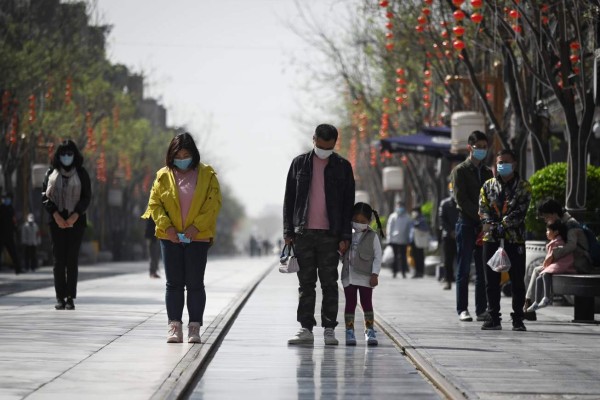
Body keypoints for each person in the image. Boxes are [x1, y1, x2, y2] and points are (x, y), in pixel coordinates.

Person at [142, 132, 222, 344]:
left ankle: (194, 327)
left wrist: (196, 227)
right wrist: (167, 228)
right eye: (178, 154)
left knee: (195, 283)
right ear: (171, 155)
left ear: (193, 154)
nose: (182, 158)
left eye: (186, 154)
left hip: (198, 237)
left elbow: (213, 204)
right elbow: (155, 204)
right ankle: (174, 326)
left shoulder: (207, 174)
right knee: (173, 284)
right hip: (170, 238)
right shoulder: (162, 175)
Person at [283, 123, 355, 345]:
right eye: (321, 145)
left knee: (329, 283)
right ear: (313, 139)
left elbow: (347, 204)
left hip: (330, 235)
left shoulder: (343, 166)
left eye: (329, 146)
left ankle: (329, 329)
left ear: (335, 143)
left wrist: (345, 236)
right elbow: (289, 199)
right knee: (306, 284)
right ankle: (305, 328)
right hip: (303, 233)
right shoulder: (299, 164)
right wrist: (288, 230)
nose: (324, 150)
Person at [479, 149, 532, 331]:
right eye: (499, 162)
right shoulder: (488, 186)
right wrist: (491, 223)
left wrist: (504, 223)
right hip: (491, 237)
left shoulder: (524, 187)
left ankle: (518, 318)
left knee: (517, 280)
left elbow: (521, 211)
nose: (502, 165)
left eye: (506, 162)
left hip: (514, 238)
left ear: (514, 163)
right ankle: (493, 316)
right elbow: (483, 208)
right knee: (491, 281)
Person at [42, 140, 92, 310]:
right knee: (58, 261)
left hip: (76, 222)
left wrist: (75, 215)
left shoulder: (82, 173)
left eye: (69, 154)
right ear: (58, 156)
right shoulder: (51, 173)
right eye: (63, 154)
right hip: (56, 221)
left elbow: (87, 197)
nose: (66, 157)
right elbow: (45, 196)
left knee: (71, 259)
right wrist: (55, 215)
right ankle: (59, 297)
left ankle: (70, 297)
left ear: (75, 155)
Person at [450, 130, 493, 322]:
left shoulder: (487, 172)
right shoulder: (460, 170)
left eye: (485, 147)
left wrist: (488, 217)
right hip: (467, 223)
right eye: (479, 147)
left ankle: (481, 309)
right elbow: (461, 200)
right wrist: (479, 215)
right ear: (470, 148)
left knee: (482, 269)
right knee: (464, 268)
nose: (482, 151)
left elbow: (491, 196)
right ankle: (462, 309)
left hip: (483, 226)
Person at [524, 198, 592, 319]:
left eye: (546, 217)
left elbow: (571, 245)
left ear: (554, 213)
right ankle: (528, 304)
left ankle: (529, 306)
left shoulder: (571, 224)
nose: (546, 221)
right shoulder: (563, 223)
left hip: (579, 262)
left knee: (539, 270)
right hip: (569, 261)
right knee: (537, 270)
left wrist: (554, 255)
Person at [341, 202, 383, 346]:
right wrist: (340, 249)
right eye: (356, 221)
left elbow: (378, 256)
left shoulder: (373, 236)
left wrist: (375, 274)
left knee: (366, 303)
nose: (358, 224)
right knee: (350, 303)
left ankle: (369, 330)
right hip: (349, 276)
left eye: (362, 222)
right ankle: (349, 331)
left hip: (366, 277)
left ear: (369, 221)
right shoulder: (347, 235)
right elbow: (341, 255)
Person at [526, 220, 575, 312]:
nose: (546, 233)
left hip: (563, 264)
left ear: (556, 232)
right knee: (539, 278)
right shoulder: (555, 241)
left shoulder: (557, 242)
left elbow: (549, 259)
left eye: (548, 231)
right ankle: (536, 302)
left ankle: (546, 297)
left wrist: (545, 266)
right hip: (557, 264)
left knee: (545, 274)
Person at [439, 183, 459, 290]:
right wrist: (451, 231)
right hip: (448, 236)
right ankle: (448, 280)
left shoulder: (462, 203)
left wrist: (458, 231)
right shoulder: (444, 204)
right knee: (448, 260)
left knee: (461, 259)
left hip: (461, 235)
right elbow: (442, 220)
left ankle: (460, 280)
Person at [385, 201, 412, 278]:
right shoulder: (392, 217)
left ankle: (403, 272)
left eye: (401, 206)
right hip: (394, 240)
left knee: (403, 257)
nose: (400, 208)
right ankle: (394, 272)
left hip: (404, 240)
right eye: (398, 206)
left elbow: (409, 229)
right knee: (395, 256)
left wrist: (409, 239)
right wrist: (389, 239)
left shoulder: (407, 217)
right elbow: (389, 228)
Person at [0, 193, 22, 274]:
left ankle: (18, 269)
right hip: (1, 234)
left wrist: (15, 229)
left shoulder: (11, 208)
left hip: (9, 235)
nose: (6, 200)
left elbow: (14, 220)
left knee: (13, 252)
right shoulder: (1, 208)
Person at [409, 206, 429, 278]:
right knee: (415, 257)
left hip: (420, 241)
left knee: (420, 257)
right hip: (413, 241)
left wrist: (418, 226)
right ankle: (416, 271)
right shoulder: (413, 219)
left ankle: (420, 272)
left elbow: (426, 228)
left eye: (415, 211)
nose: (413, 213)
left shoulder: (422, 219)